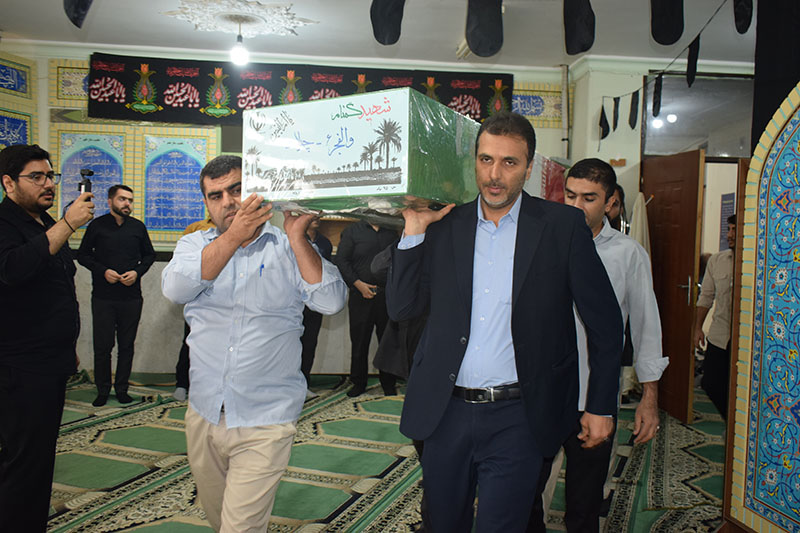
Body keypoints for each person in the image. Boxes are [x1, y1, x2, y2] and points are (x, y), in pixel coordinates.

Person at [386, 111, 623, 531]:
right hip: (445, 413)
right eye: (486, 160)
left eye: (509, 162)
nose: (494, 175)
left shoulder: (561, 227)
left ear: (528, 168)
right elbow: (401, 308)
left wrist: (601, 405)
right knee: (442, 524)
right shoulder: (444, 225)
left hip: (520, 416)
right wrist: (414, 230)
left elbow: (605, 323)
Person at [161, 155, 346, 531]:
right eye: (216, 196)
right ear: (206, 204)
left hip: (265, 420)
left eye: (237, 190)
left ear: (258, 193)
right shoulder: (194, 245)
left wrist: (297, 237)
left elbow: (331, 301)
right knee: (220, 521)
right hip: (204, 414)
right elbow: (176, 289)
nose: (228, 202)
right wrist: (233, 236)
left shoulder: (288, 248)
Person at [528, 158, 669, 532]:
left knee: (585, 507)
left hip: (594, 400)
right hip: (543, 395)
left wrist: (649, 399)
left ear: (610, 203)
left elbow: (646, 327)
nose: (576, 206)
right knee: (526, 500)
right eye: (570, 195)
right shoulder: (541, 245)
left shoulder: (628, 254)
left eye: (589, 198)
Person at [0, 144, 95, 532]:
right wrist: (69, 224)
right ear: (9, 183)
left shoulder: (44, 222)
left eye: (50, 176)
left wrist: (66, 345)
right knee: (24, 462)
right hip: (21, 365)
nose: (47, 184)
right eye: (35, 177)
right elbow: (13, 269)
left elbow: (57, 286)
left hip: (50, 360)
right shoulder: (6, 223)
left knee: (39, 459)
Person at [78, 184, 155, 407]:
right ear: (110, 201)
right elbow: (83, 255)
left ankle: (122, 389)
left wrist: (137, 272)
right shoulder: (97, 226)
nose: (127, 204)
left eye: (130, 200)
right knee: (103, 347)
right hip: (103, 298)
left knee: (126, 346)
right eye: (122, 199)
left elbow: (149, 256)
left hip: (131, 298)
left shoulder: (138, 227)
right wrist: (103, 271)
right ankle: (102, 390)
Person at [335, 220, 398, 397]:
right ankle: (358, 383)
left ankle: (388, 383)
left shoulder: (391, 231)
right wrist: (358, 284)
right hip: (360, 295)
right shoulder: (352, 231)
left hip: (386, 296)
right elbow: (341, 260)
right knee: (360, 341)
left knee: (387, 342)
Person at [694, 214, 736, 420]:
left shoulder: (759, 262)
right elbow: (706, 296)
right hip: (720, 336)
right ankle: (731, 422)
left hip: (745, 342)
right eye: (728, 229)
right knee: (710, 383)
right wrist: (697, 328)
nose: (730, 235)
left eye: (734, 230)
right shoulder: (718, 261)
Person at [173, 217, 216, 402]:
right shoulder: (196, 229)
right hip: (198, 295)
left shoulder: (240, 229)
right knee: (190, 341)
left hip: (224, 297)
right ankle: (182, 384)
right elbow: (183, 264)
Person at [300, 217, 333, 397]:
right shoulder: (293, 239)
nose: (316, 218)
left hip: (315, 303)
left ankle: (304, 384)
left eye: (318, 215)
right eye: (311, 214)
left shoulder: (325, 243)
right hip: (295, 303)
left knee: (310, 344)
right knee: (291, 346)